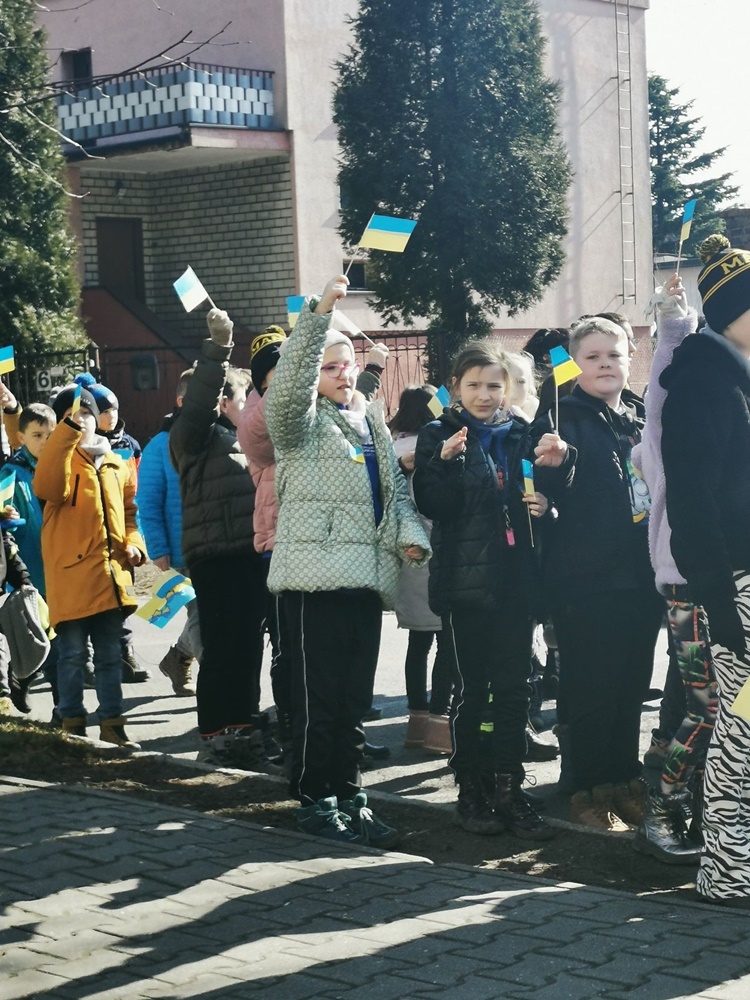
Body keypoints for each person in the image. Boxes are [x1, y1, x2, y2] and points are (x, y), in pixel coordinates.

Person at [265, 275, 430, 846]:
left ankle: (350, 796)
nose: (342, 374)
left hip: (366, 579)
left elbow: (395, 494)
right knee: (319, 701)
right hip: (313, 584)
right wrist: (320, 317)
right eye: (329, 366)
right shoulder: (299, 425)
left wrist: (412, 538)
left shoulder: (368, 423)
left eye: (347, 364)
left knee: (355, 701)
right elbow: (289, 386)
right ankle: (316, 801)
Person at [413, 341, 552, 840]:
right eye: (473, 384)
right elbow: (433, 504)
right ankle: (471, 790)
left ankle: (509, 787)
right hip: (464, 586)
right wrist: (444, 463)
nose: (484, 394)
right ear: (456, 386)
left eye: (494, 385)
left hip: (516, 582)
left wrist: (546, 506)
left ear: (508, 388)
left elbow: (545, 492)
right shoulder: (439, 434)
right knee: (472, 692)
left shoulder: (521, 434)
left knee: (515, 690)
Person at [534, 317, 663, 831]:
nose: (606, 363)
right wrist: (559, 463)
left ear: (631, 358)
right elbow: (541, 487)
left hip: (642, 573)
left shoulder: (639, 415)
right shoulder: (560, 415)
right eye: (593, 356)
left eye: (615, 354)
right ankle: (587, 789)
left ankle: (624, 781)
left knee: (631, 685)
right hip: (586, 577)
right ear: (574, 363)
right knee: (592, 688)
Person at [659, 234, 750, 906]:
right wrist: (722, 605)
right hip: (740, 592)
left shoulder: (738, 379)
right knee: (743, 735)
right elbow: (693, 505)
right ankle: (726, 871)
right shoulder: (704, 384)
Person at [169, 308, 279, 774]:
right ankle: (215, 737)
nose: (249, 403)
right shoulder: (192, 438)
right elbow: (197, 402)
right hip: (214, 557)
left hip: (250, 554)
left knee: (248, 648)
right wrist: (218, 350)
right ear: (220, 402)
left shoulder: (246, 440)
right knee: (220, 649)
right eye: (241, 396)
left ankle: (245, 732)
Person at [626, 273, 707, 864]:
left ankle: (711, 810)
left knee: (731, 707)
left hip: (734, 581)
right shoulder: (664, 431)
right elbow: (660, 393)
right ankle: (664, 808)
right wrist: (675, 323)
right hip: (686, 581)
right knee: (707, 707)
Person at [34, 384, 146, 748]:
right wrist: (66, 434)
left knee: (111, 658)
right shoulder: (57, 459)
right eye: (71, 415)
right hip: (70, 579)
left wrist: (135, 545)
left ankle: (113, 725)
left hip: (109, 577)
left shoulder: (115, 462)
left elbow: (130, 514)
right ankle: (72, 725)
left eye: (86, 413)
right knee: (72, 657)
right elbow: (49, 488)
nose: (81, 420)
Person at [389, 384, 456, 753]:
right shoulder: (436, 446)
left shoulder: (392, 449)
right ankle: (438, 725)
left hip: (408, 557)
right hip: (438, 551)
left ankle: (416, 723)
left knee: (418, 642)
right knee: (447, 641)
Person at [137, 368, 198, 697]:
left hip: (216, 544)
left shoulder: (215, 436)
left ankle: (178, 657)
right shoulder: (159, 446)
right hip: (180, 550)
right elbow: (147, 501)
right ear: (181, 401)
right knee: (202, 615)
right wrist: (158, 549)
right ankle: (219, 689)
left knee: (209, 615)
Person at [1, 402, 56, 713]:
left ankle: (64, 709)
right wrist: (6, 515)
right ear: (21, 438)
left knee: (58, 642)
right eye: (37, 435)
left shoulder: (61, 466)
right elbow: (3, 516)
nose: (45, 441)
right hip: (30, 565)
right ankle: (21, 676)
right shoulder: (12, 472)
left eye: (50, 434)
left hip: (59, 565)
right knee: (36, 634)